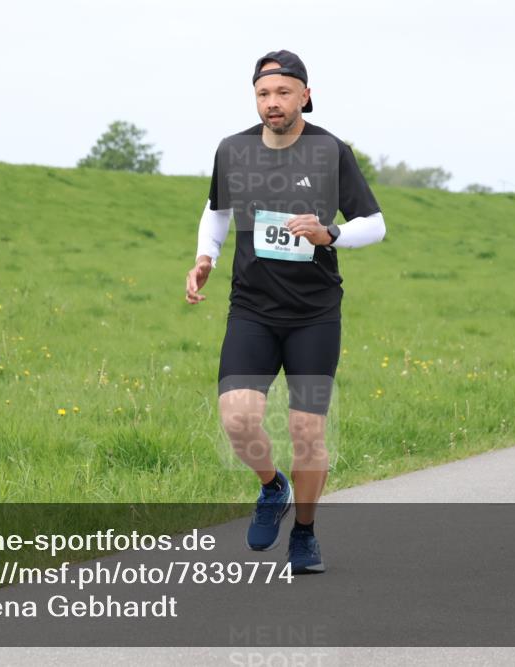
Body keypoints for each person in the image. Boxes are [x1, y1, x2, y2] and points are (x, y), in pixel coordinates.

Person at [186, 50, 386, 574]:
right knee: (237, 418)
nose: (271, 103)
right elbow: (217, 210)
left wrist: (331, 232)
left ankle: (305, 533)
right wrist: (205, 256)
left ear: (305, 95)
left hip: (315, 316)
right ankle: (272, 486)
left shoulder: (330, 152)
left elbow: (375, 223)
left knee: (307, 431)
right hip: (251, 309)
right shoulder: (233, 151)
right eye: (263, 94)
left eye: (282, 92)